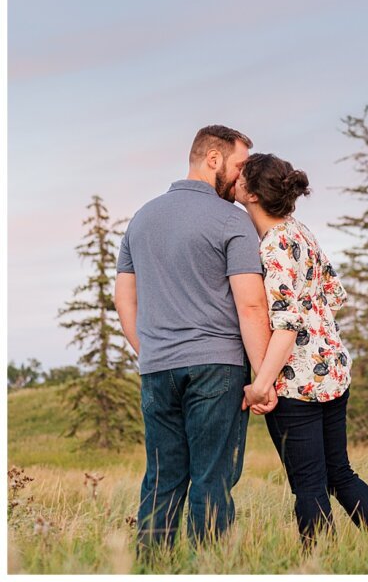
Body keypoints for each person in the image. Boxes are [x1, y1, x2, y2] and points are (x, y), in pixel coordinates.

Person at [114, 125, 274, 550]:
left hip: (157, 369)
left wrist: (148, 351)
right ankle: (207, 567)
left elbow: (124, 299)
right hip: (216, 368)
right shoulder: (231, 220)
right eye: (240, 166)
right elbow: (252, 305)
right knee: (212, 476)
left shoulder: (142, 217)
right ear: (214, 159)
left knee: (163, 476)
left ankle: (152, 567)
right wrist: (263, 379)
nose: (243, 179)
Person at [234, 152, 368, 548]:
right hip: (333, 369)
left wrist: (261, 385)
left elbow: (286, 325)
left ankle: (320, 565)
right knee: (341, 474)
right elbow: (332, 293)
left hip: (297, 384)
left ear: (253, 195)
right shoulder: (299, 231)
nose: (234, 179)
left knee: (308, 486)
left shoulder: (272, 246)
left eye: (241, 176)